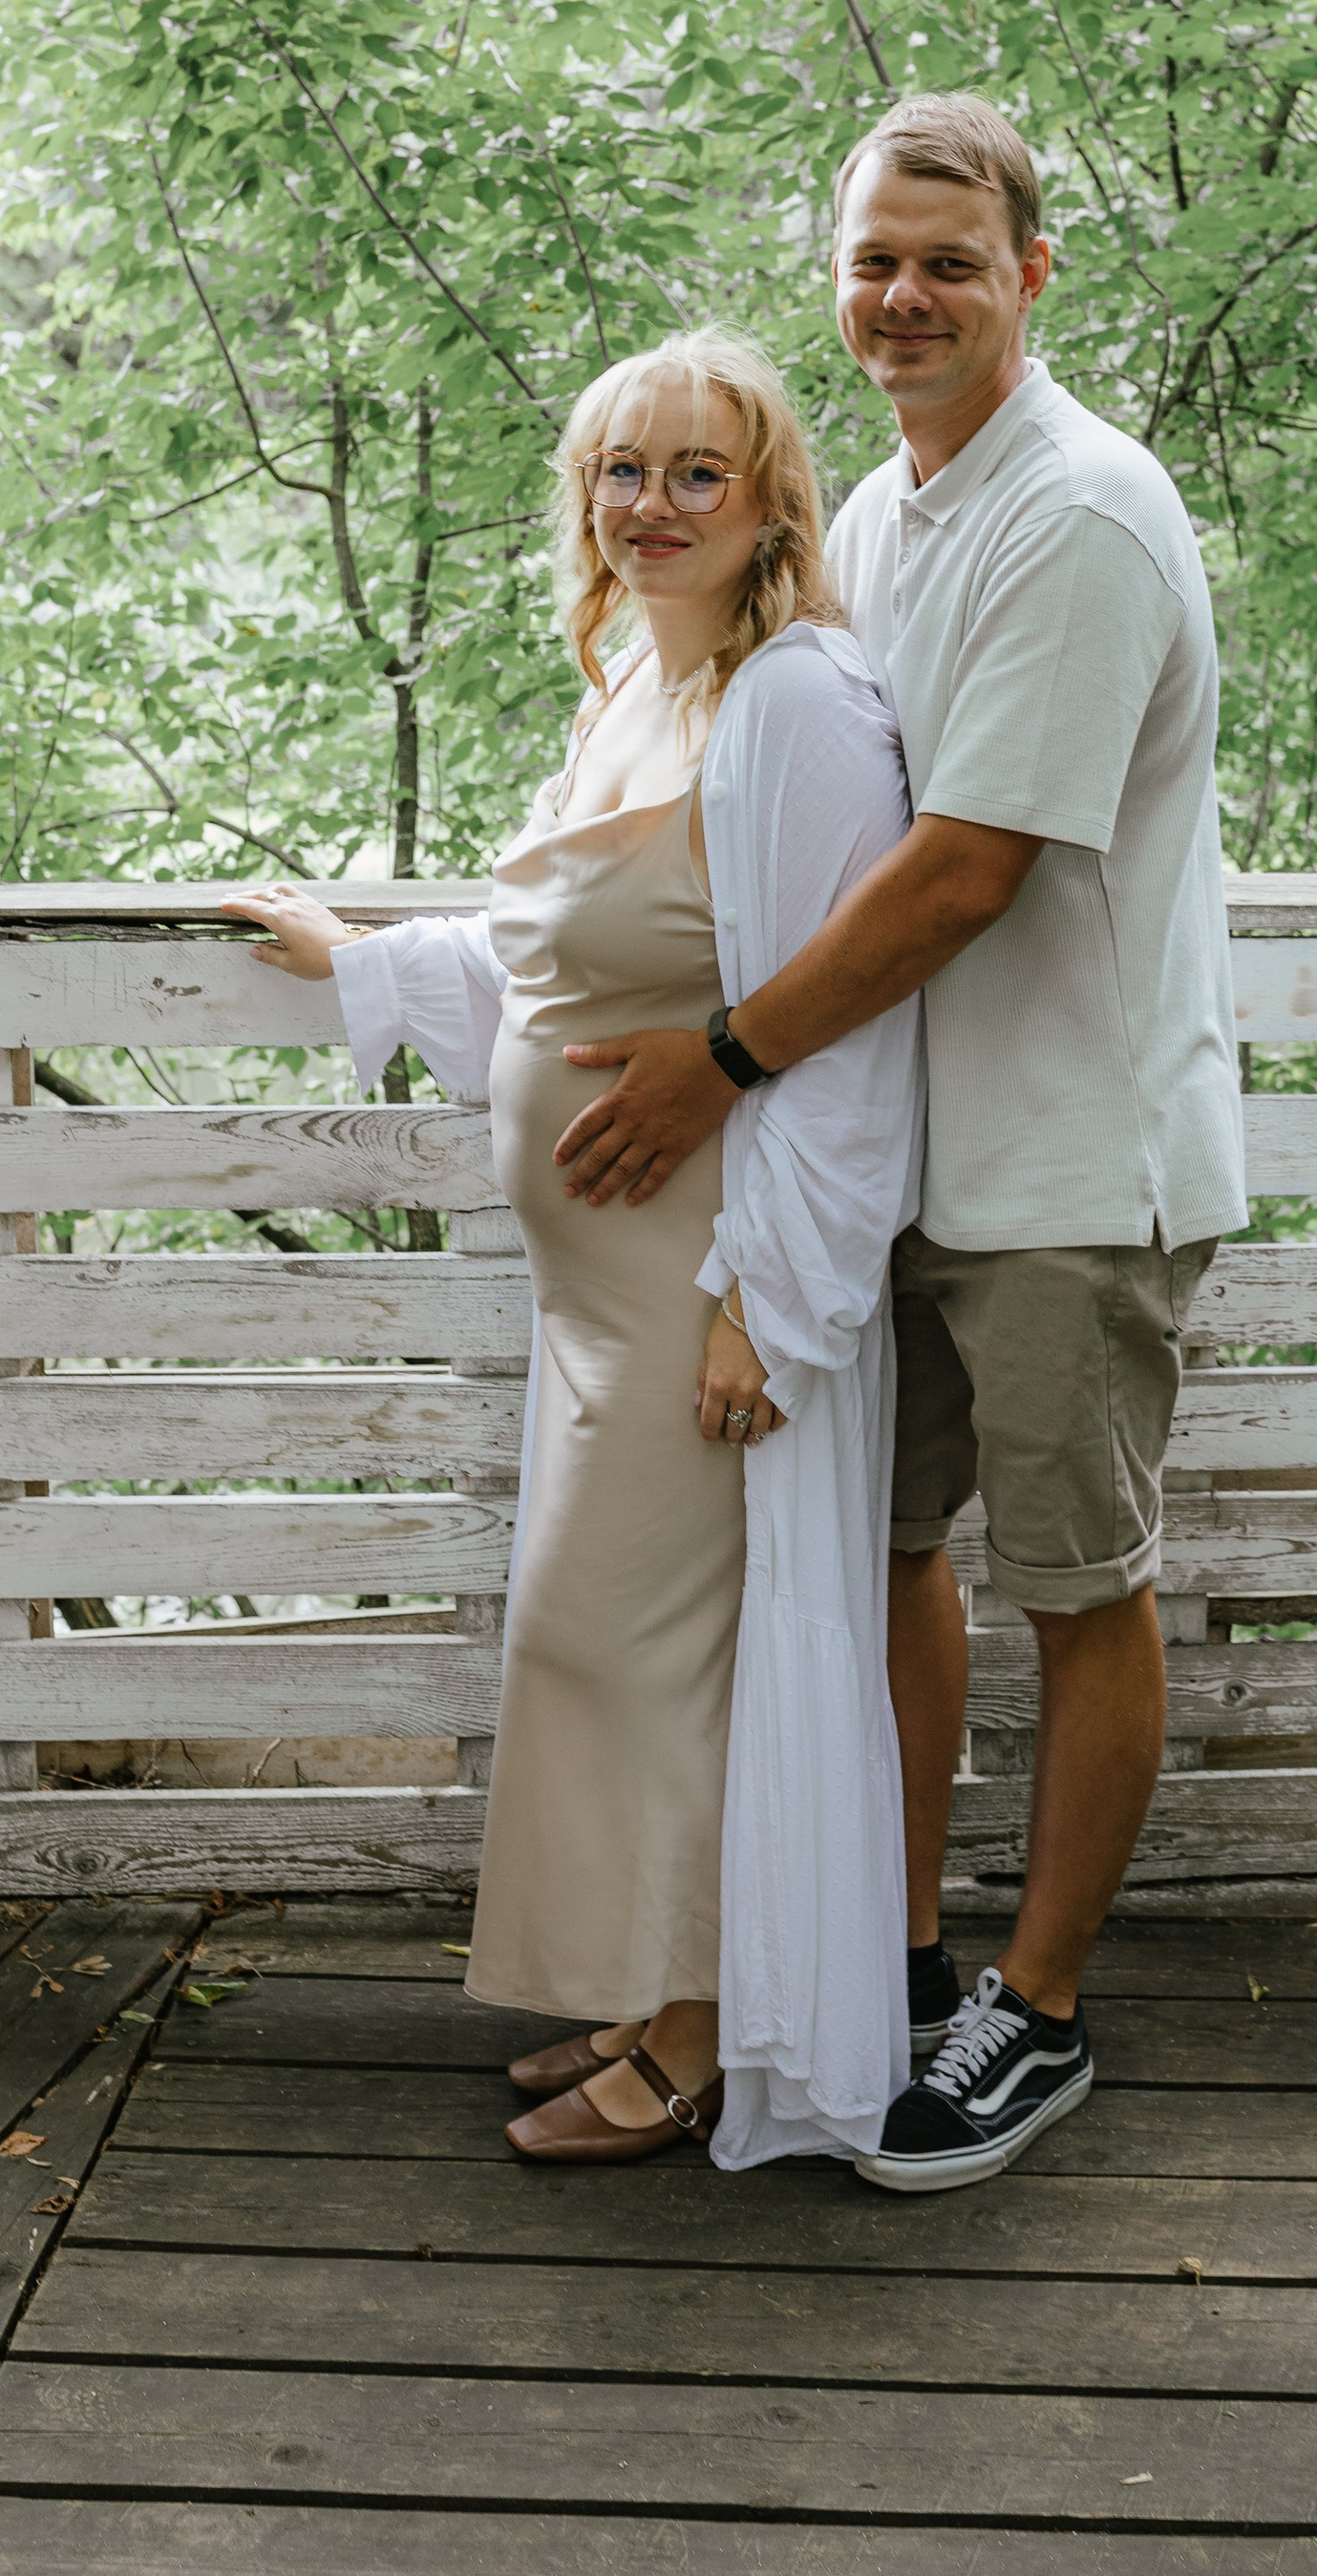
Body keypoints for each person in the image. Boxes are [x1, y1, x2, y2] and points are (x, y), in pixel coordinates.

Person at [549, 91, 1245, 2193]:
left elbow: (960, 876)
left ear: (1031, 275)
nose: (902, 295)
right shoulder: (886, 503)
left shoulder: (1081, 515)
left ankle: (1030, 2017)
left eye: (947, 258)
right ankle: (894, 1954)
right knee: (881, 1556)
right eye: (870, 259)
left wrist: (720, 1064)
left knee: (1080, 1581)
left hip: (1064, 1158)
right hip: (906, 1151)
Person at [223, 329, 921, 2172]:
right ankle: (648, 1983)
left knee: (637, 1641)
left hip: (699, 1280)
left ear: (773, 495)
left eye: (700, 472)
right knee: (605, 1646)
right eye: (626, 471)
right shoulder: (634, 681)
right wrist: (362, 957)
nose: (656, 505)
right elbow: (568, 961)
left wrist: (763, 1307)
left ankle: (705, 2044)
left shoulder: (799, 703)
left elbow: (845, 1035)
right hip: (597, 1288)